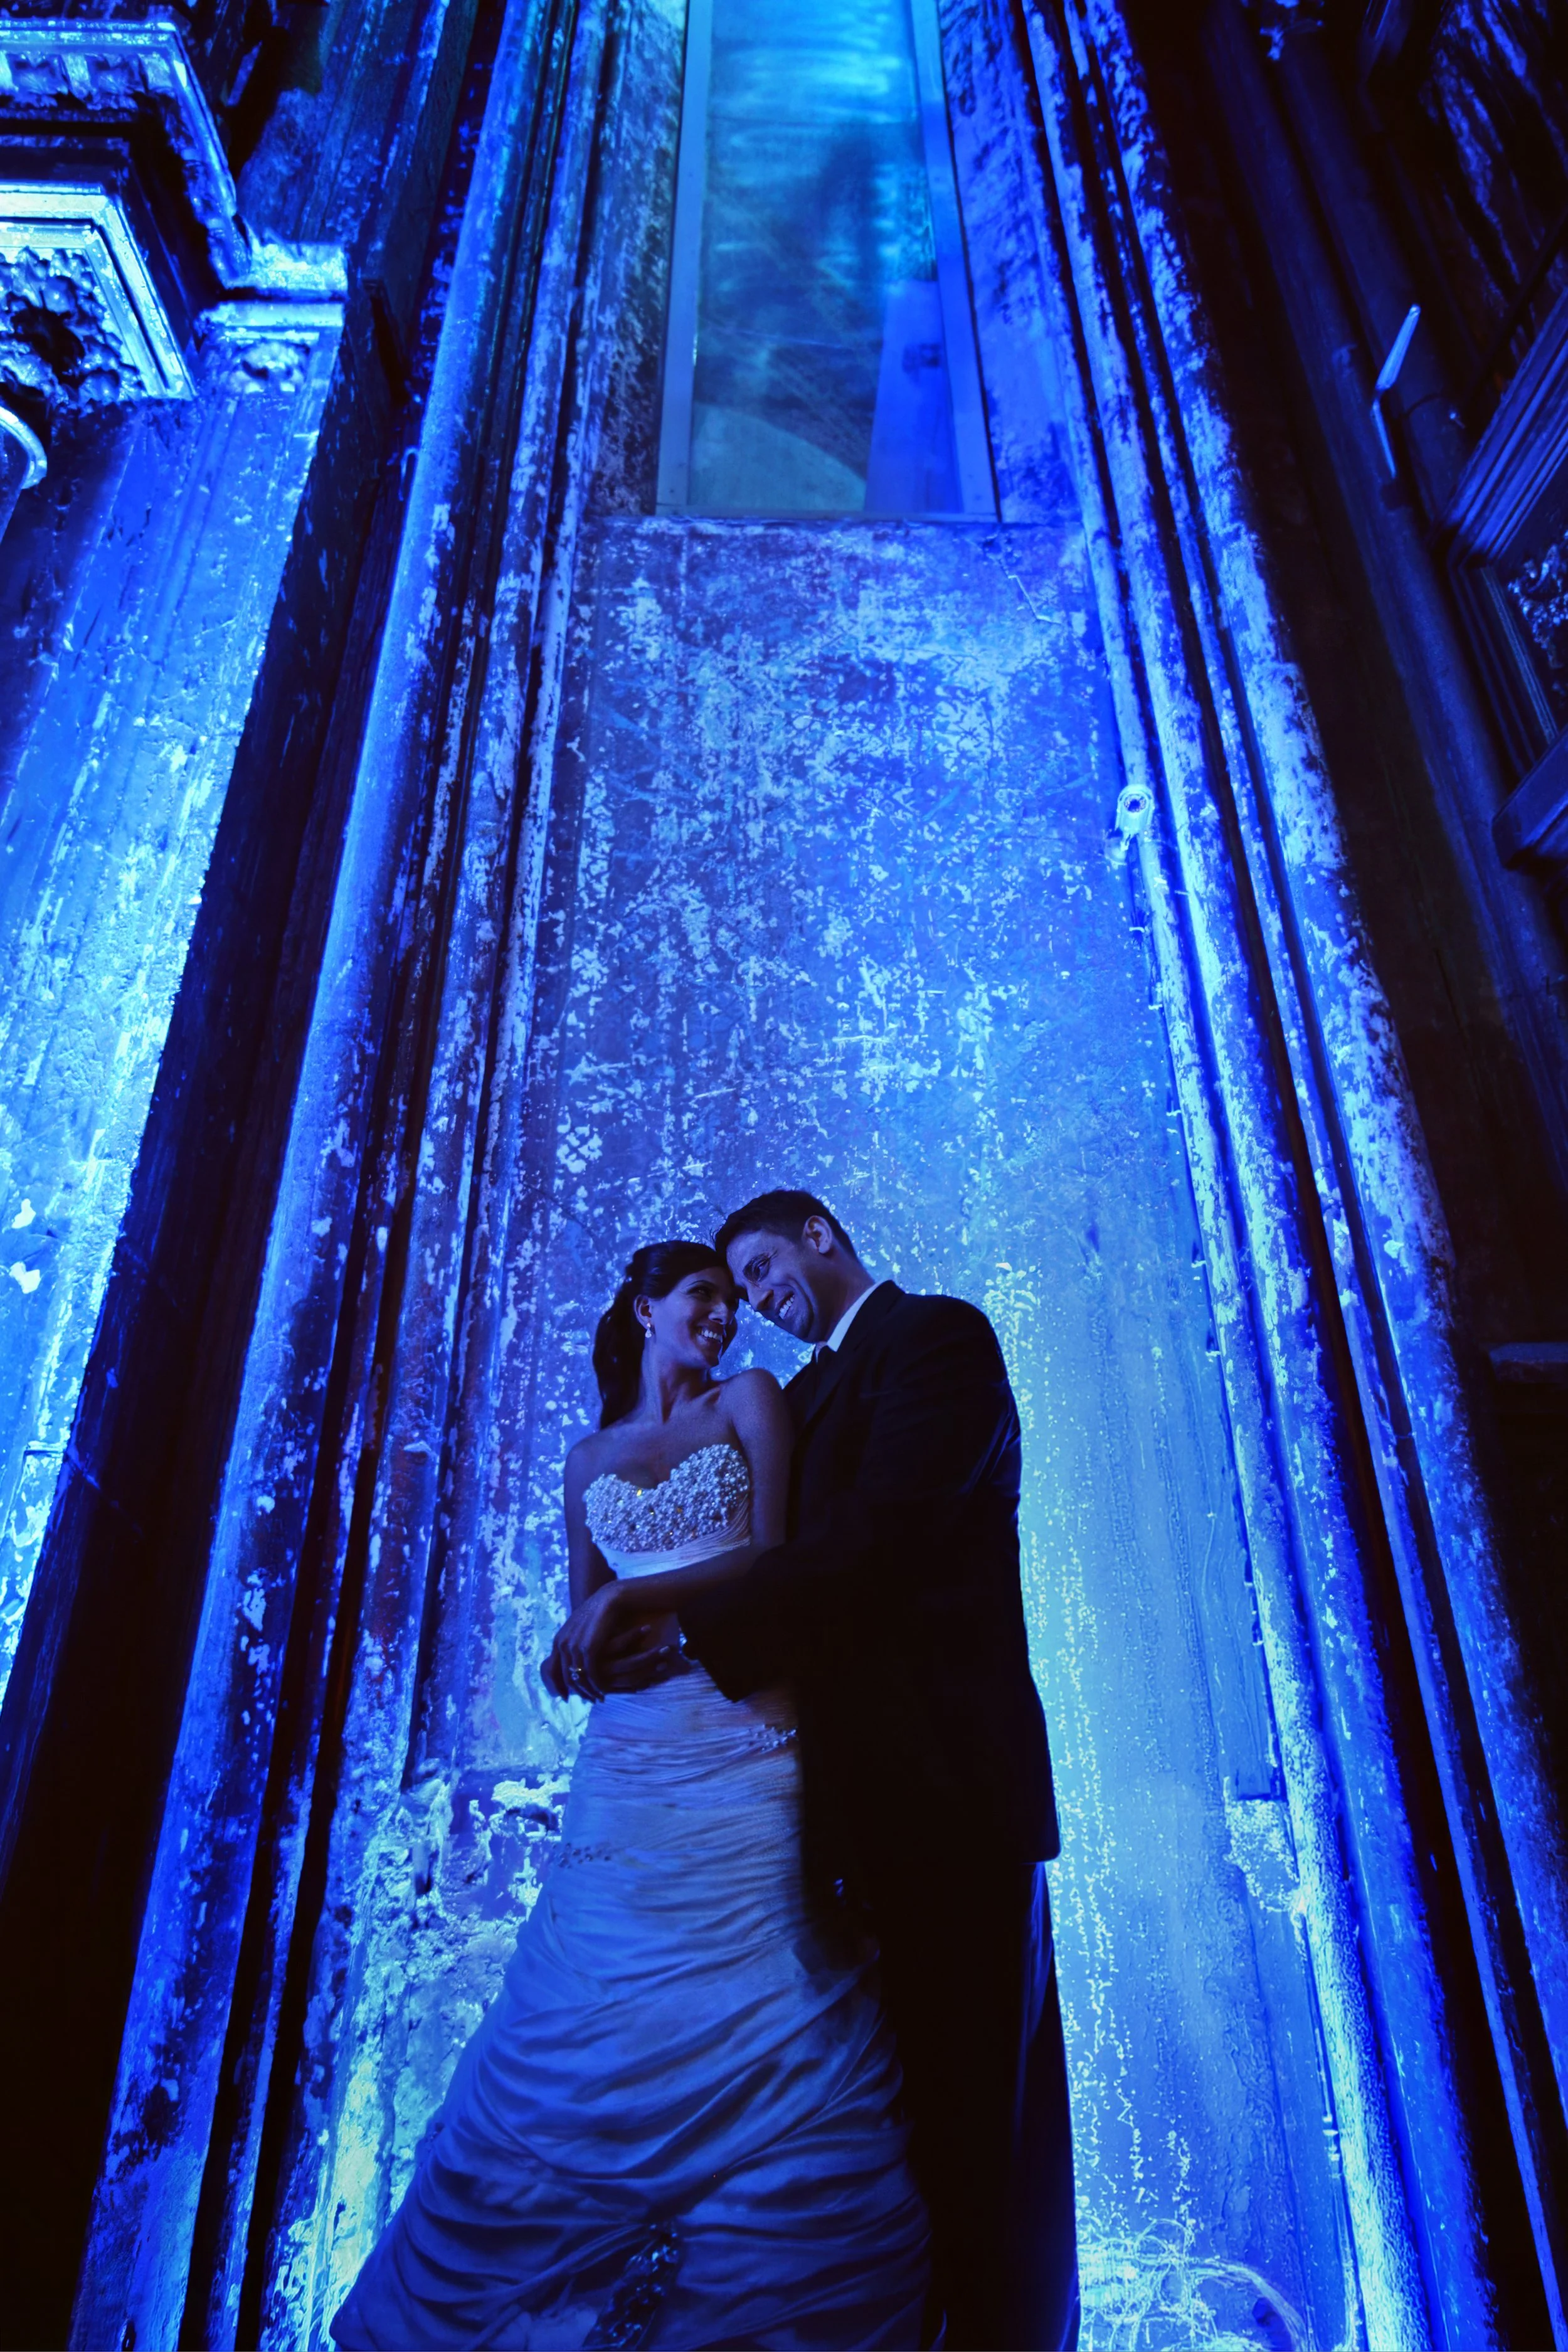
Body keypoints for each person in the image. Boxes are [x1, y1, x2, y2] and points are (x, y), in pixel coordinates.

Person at [333, 1239, 930, 2351]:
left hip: (749, 1725)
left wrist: (633, 1608)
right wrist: (588, 1652)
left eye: (734, 1299)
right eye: (706, 1295)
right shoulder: (586, 1458)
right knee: (587, 1988)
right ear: (646, 1308)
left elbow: (779, 1560)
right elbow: (584, 1630)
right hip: (630, 1754)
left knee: (760, 1961)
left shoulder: (752, 1399)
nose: (726, 1316)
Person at [551, 1192, 1079, 2352]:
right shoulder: (802, 1392)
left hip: (948, 1790)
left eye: (760, 1265)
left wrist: (665, 1621)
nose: (754, 1299)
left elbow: (871, 1547)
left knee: (979, 2128)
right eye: (732, 1285)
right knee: (902, 2131)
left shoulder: (937, 1337)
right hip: (846, 1798)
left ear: (819, 1233)